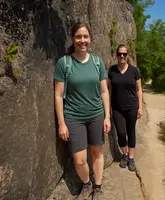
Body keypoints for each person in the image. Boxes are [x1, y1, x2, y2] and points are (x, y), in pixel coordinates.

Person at [54, 22, 111, 200]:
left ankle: (98, 187)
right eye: (78, 37)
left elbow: (104, 91)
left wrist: (107, 116)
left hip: (96, 115)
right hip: (74, 117)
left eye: (85, 36)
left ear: (90, 39)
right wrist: (62, 123)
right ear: (73, 39)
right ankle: (87, 183)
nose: (82, 40)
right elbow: (58, 95)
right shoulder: (65, 63)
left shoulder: (97, 62)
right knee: (79, 160)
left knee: (97, 153)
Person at [107, 44, 143, 172]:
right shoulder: (112, 70)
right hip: (117, 108)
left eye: (124, 54)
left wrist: (140, 107)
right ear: (116, 55)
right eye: (119, 54)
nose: (122, 56)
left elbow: (139, 90)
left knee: (131, 131)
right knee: (121, 133)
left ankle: (131, 158)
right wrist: (109, 107)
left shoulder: (134, 71)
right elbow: (109, 90)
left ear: (127, 56)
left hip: (132, 107)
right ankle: (124, 154)